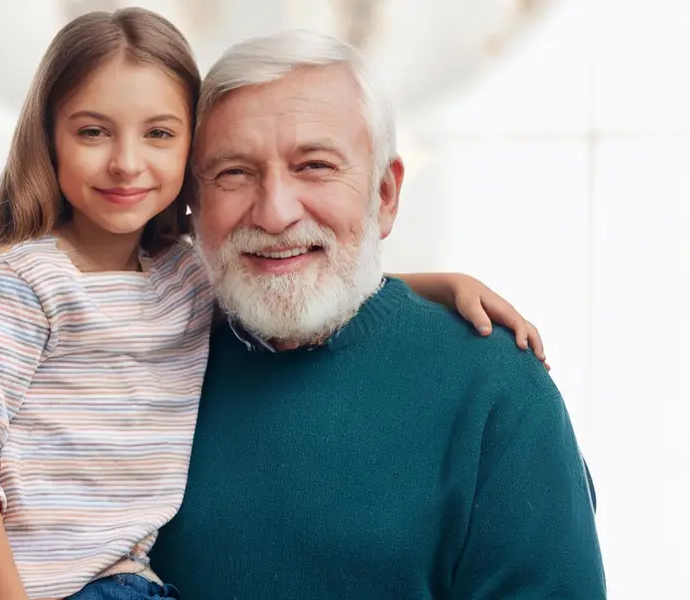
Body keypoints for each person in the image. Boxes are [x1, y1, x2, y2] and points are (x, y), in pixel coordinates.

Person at [0, 10, 547, 600]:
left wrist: (439, 283)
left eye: (158, 133)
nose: (126, 162)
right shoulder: (25, 284)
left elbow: (303, 265)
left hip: (125, 585)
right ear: (49, 139)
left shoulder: (180, 276)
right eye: (93, 131)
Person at [149, 29, 606, 599]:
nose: (273, 213)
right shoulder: (133, 364)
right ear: (193, 202)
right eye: (234, 173)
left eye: (314, 166)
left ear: (384, 195)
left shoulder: (496, 392)